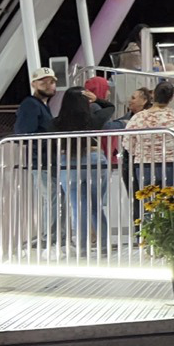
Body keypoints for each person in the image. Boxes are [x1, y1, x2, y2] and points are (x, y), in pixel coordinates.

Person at [122, 80, 174, 232]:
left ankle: (150, 243)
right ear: (171, 98)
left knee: (148, 205)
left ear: (153, 95)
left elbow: (128, 143)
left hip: (145, 165)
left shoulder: (138, 118)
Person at [53, 85, 109, 252]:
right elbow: (110, 108)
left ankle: (83, 248)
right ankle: (104, 245)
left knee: (77, 205)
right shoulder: (93, 119)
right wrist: (97, 99)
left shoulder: (57, 122)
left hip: (68, 161)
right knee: (95, 205)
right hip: (94, 159)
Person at [14, 66, 59, 136]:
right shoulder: (30, 104)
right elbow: (24, 134)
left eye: (52, 82)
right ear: (33, 84)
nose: (48, 86)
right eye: (43, 83)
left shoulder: (42, 104)